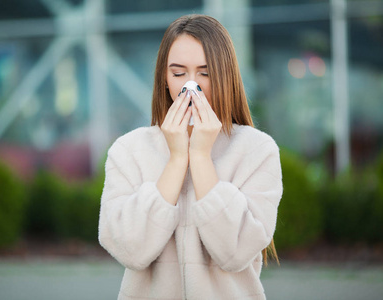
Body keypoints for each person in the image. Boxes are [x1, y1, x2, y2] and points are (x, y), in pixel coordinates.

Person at [98, 14, 283, 300]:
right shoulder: (128, 151)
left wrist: (199, 155)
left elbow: (235, 253)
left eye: (205, 73)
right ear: (164, 77)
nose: (191, 87)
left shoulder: (257, 151)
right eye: (178, 72)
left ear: (225, 75)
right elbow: (129, 250)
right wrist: (175, 160)